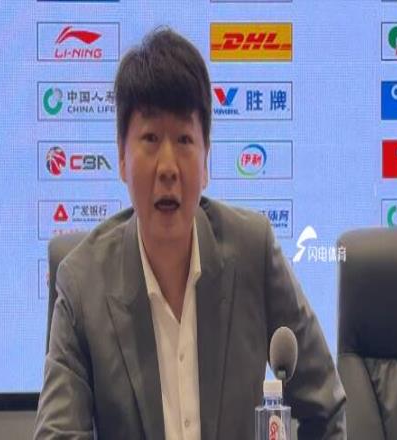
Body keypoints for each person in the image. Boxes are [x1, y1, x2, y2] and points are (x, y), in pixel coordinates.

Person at [34, 28, 346, 440]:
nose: (168, 167)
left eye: (184, 140)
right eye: (150, 139)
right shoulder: (82, 283)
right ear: (122, 157)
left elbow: (325, 407)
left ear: (206, 159)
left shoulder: (252, 251)